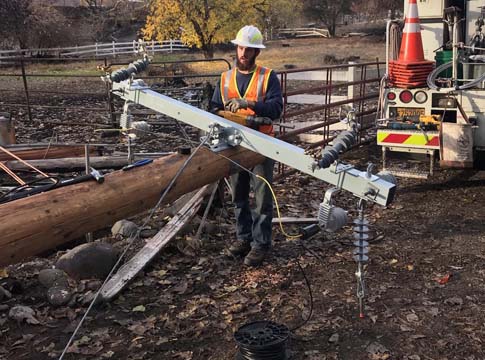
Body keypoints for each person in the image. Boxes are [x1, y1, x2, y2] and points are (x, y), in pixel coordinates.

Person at [210, 25, 283, 266]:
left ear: (256, 52)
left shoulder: (267, 76)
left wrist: (248, 103)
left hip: (261, 144)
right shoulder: (225, 78)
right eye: (241, 48)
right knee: (238, 196)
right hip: (233, 144)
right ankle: (243, 238)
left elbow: (276, 109)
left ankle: (261, 244)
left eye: (248, 49)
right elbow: (213, 108)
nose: (243, 53)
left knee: (262, 197)